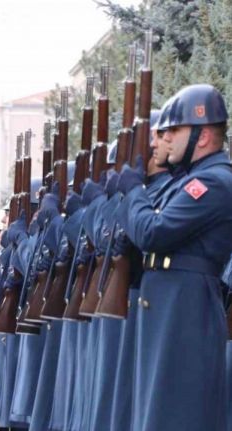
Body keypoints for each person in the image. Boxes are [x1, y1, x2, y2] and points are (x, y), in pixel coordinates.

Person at [115, 84, 232, 430]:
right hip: (169, 305)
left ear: (204, 135)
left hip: (186, 308)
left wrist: (134, 192)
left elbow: (153, 232)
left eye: (175, 130)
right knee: (158, 412)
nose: (166, 139)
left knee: (179, 411)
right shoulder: (190, 181)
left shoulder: (214, 183)